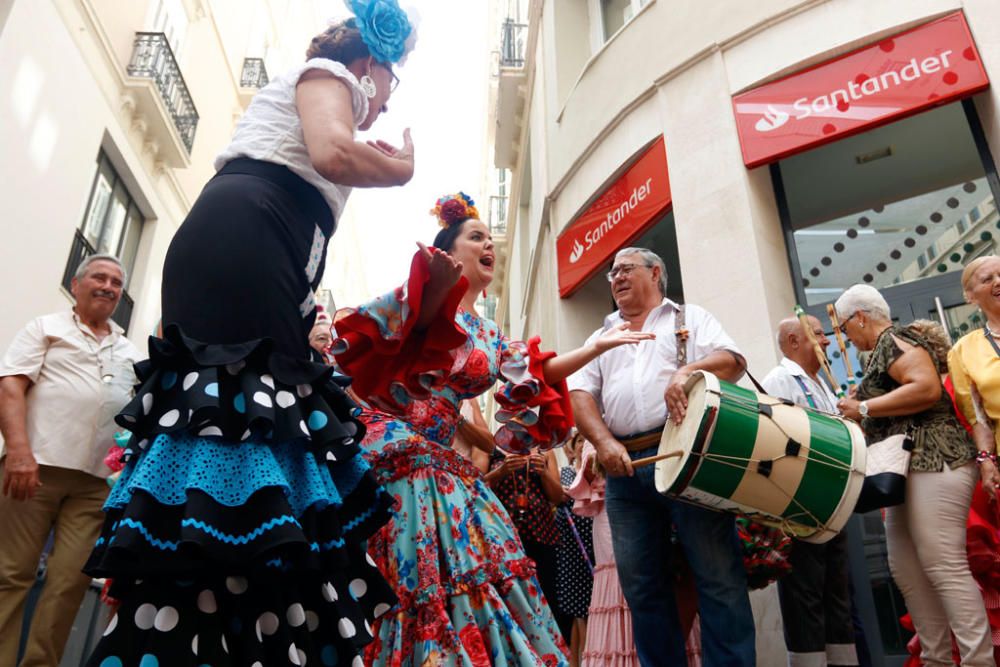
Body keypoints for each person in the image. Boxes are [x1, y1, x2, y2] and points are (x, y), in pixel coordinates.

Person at [81, 3, 418, 665]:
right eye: (390, 87)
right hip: (247, 235)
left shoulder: (321, 92)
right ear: (371, 66)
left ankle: (224, 626)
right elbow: (333, 150)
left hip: (254, 245)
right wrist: (401, 167)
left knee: (254, 417)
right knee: (248, 413)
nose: (381, 105)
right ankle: (228, 626)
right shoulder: (332, 74)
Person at [332, 192, 653, 665]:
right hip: (396, 445)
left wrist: (598, 346)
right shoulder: (419, 299)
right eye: (475, 237)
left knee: (480, 558)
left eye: (490, 239)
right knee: (423, 565)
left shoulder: (488, 333)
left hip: (438, 457)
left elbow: (537, 371)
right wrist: (434, 289)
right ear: (449, 250)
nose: (488, 245)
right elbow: (368, 348)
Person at [569, 247, 756, 667]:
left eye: (625, 269)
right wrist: (603, 442)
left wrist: (685, 373)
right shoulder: (601, 336)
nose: (615, 277)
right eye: (611, 272)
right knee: (640, 588)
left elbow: (733, 361)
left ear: (655, 273)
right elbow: (579, 394)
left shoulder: (688, 319)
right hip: (624, 469)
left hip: (687, 458)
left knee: (718, 578)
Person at [834, 284, 994, 667]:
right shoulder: (885, 350)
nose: (845, 336)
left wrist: (865, 407)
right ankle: (937, 660)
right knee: (905, 568)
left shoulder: (895, 339)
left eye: (844, 326)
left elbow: (925, 388)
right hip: (909, 468)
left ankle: (978, 662)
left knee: (943, 565)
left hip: (935, 457)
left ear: (860, 317)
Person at [0, 254, 141, 667]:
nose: (108, 286)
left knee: (69, 584)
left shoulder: (129, 350)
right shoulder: (45, 328)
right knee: (10, 575)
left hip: (97, 483)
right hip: (34, 469)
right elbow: (11, 389)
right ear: (76, 284)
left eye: (116, 282)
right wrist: (19, 452)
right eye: (99, 277)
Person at [761, 316, 858, 667]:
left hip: (834, 501)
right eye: (818, 334)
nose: (827, 341)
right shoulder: (780, 380)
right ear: (793, 340)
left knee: (837, 594)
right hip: (799, 504)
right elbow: (775, 441)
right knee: (804, 596)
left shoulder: (822, 384)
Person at [568, 439, 640, 667]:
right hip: (610, 512)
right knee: (615, 578)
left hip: (647, 501)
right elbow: (590, 470)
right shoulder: (593, 426)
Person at [487, 446, 566, 636]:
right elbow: (475, 484)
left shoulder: (545, 450)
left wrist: (544, 472)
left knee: (547, 598)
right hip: (503, 537)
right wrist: (502, 471)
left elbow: (558, 497)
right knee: (510, 599)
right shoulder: (492, 448)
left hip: (542, 535)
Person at [554, 432, 595, 665]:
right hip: (573, 551)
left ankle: (583, 660)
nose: (582, 445)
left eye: (585, 441)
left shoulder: (595, 474)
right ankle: (577, 661)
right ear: (572, 447)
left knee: (587, 613)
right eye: (578, 441)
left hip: (593, 550)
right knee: (578, 615)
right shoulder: (567, 474)